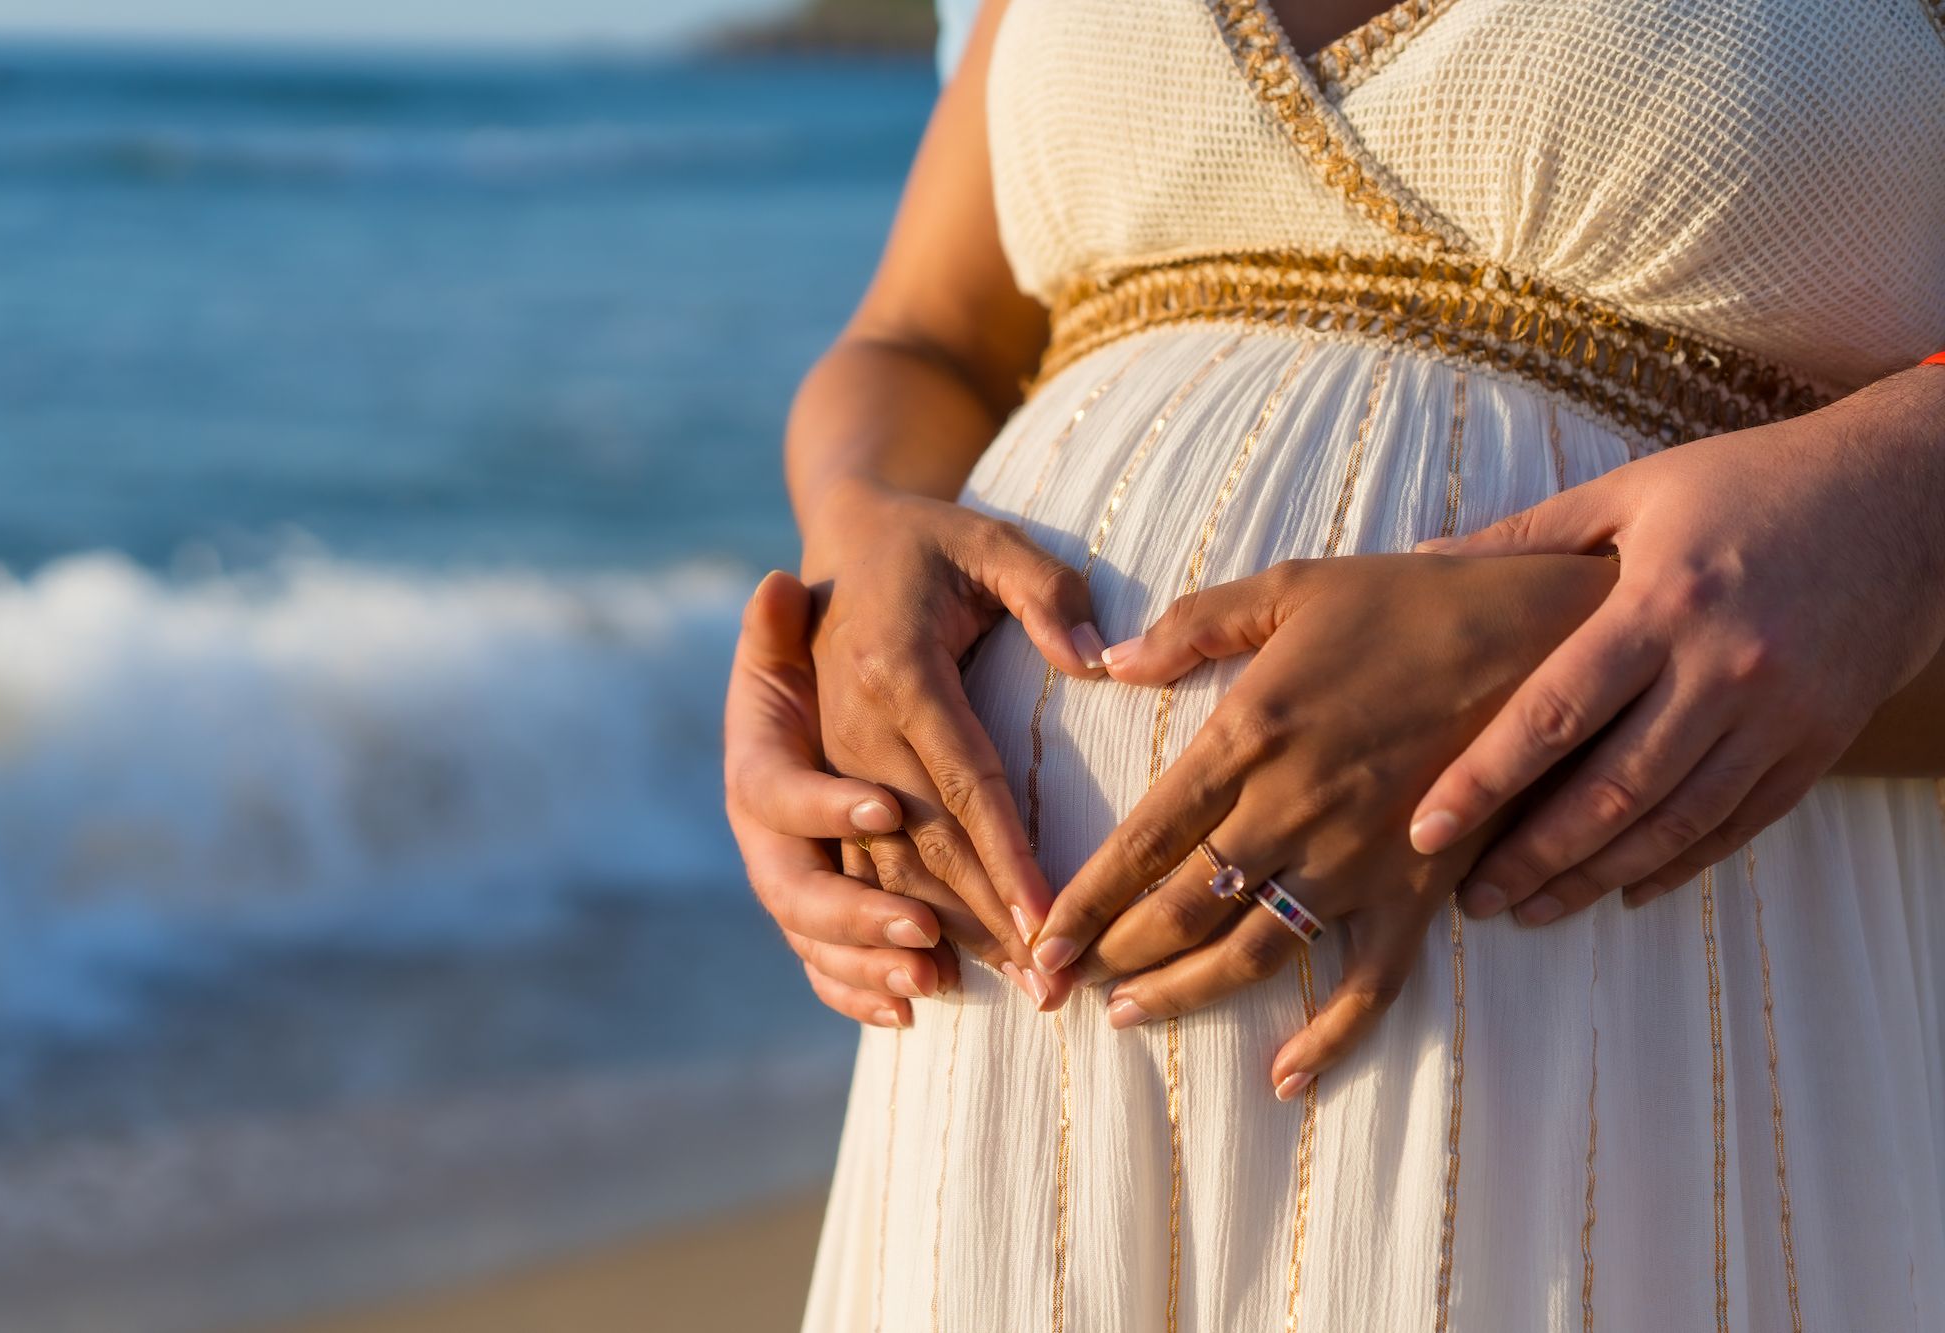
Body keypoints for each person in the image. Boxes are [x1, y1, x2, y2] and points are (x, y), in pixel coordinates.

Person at [724, 1, 1945, 1326]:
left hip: (1613, 978)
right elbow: (926, 340)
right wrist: (841, 575)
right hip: (1006, 1039)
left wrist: (1854, 526)